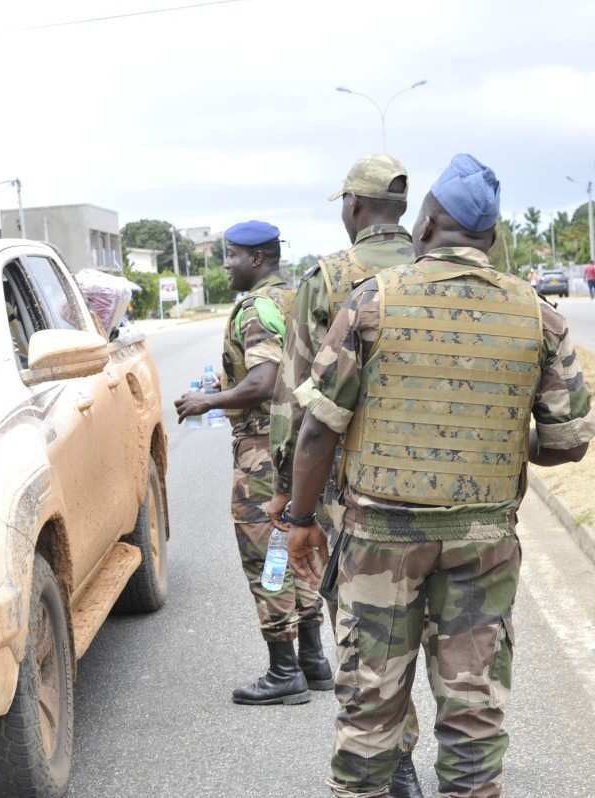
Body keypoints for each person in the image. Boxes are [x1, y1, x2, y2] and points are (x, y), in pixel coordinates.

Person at [283, 154, 594, 797]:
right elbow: (567, 444)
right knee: (474, 714)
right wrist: (503, 439)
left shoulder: (372, 302)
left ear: (423, 228)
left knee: (371, 709)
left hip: (379, 542)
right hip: (483, 542)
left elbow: (318, 428)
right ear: (493, 237)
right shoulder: (538, 314)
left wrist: (299, 520)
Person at [264, 154, 422, 796]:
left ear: (354, 208)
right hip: (445, 489)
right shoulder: (439, 267)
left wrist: (286, 493)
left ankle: (395, 761)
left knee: (367, 637)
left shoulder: (326, 279)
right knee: (446, 636)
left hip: (350, 493)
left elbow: (295, 397)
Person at [175, 220, 327, 705]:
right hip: (301, 446)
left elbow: (263, 381)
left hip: (263, 452)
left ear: (257, 259)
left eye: (233, 255)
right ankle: (314, 660)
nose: (227, 264)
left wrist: (208, 401)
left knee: (269, 556)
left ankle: (284, 672)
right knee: (295, 547)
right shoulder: (295, 297)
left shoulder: (257, 309)